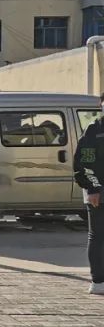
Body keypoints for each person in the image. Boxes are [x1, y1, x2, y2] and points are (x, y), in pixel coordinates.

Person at [74, 96, 104, 295]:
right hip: (98, 193)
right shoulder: (94, 131)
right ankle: (98, 282)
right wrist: (93, 189)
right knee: (98, 236)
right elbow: (85, 163)